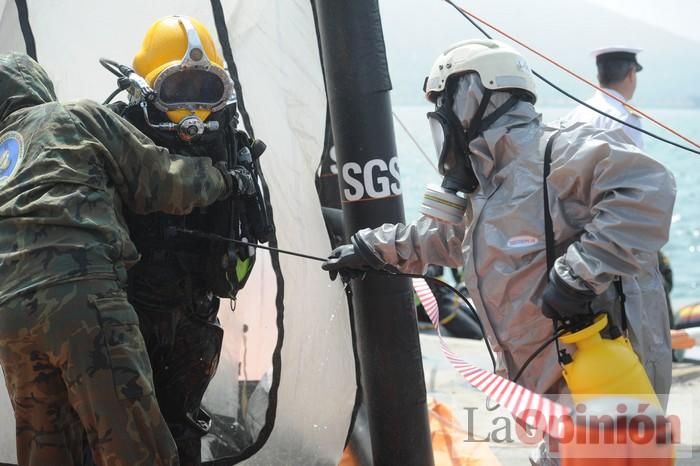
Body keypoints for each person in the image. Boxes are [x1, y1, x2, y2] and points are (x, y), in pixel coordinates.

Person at [322, 38, 675, 446]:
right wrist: (372, 248)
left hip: (598, 381)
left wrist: (578, 275)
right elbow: (451, 238)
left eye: (444, 102)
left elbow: (649, 187)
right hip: (549, 396)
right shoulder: (490, 186)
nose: (440, 117)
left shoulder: (560, 151)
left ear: (473, 97)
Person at [0, 52, 254, 466]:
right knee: (134, 446)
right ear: (37, 86)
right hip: (81, 299)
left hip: (9, 318)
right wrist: (227, 180)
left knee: (47, 448)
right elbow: (162, 181)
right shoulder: (75, 117)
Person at [106, 16, 273, 465]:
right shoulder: (119, 134)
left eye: (207, 87)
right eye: (180, 88)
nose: (195, 107)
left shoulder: (231, 142)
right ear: (147, 86)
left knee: (181, 424)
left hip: (196, 311)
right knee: (115, 427)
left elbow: (254, 229)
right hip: (128, 312)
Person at [563, 46, 675, 326]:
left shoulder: (576, 114)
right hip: (612, 236)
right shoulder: (624, 118)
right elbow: (638, 189)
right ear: (630, 74)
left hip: (574, 237)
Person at [564, 46, 644, 148]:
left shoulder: (576, 113)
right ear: (631, 74)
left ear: (598, 76)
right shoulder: (626, 119)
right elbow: (634, 163)